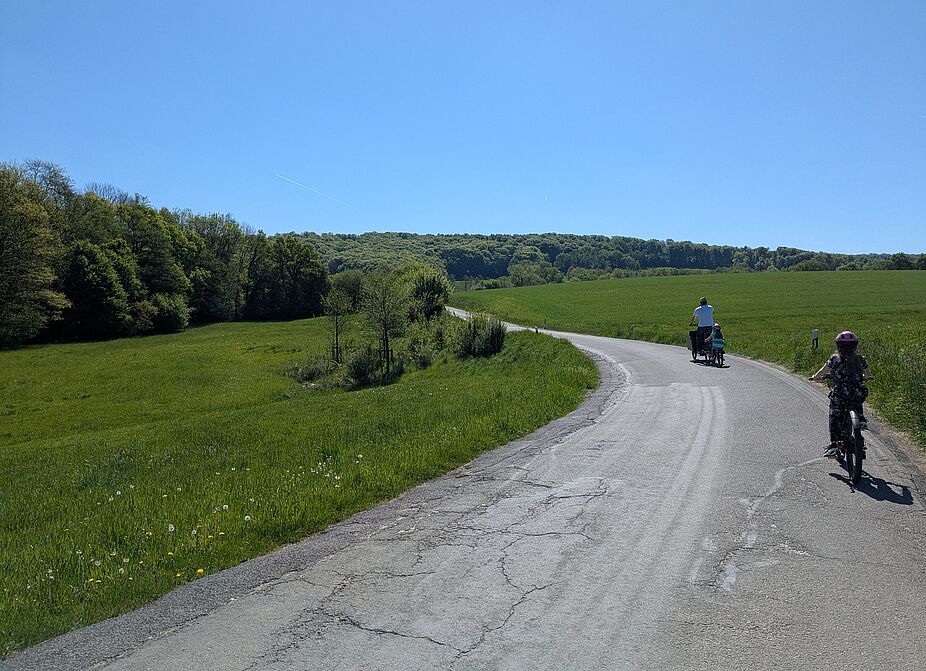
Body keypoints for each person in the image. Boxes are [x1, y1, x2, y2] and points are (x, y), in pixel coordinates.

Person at [810, 331, 871, 458]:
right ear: (855, 346)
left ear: (838, 346)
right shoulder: (860, 359)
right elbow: (867, 375)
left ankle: (834, 445)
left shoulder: (834, 359)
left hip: (840, 396)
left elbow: (822, 372)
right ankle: (861, 420)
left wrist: (816, 377)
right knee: (857, 399)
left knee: (834, 417)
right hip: (855, 394)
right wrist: (864, 377)